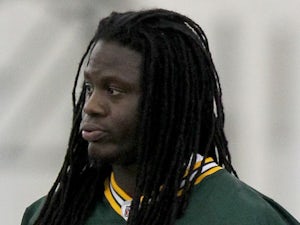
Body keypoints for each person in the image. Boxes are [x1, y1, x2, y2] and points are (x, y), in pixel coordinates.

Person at [21, 8, 299, 225]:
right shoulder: (49, 215)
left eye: (114, 90)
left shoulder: (242, 217)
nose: (91, 106)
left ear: (168, 101)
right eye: (90, 88)